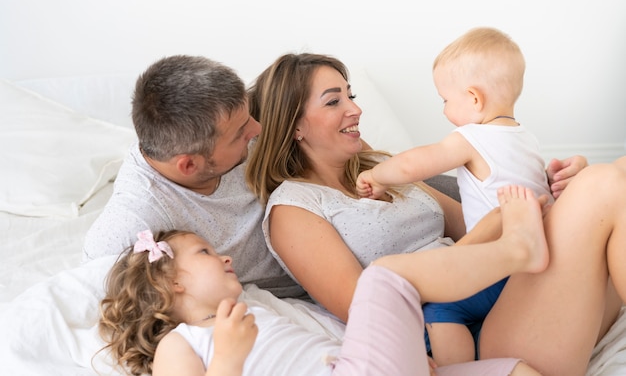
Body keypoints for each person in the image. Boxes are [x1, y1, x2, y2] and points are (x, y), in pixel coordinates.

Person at [245, 51, 626, 375]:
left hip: (501, 290)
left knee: (612, 173)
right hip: (460, 331)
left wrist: (546, 189)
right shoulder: (294, 208)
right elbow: (373, 306)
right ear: (294, 125)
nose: (355, 109)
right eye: (334, 101)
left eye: (351, 95)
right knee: (603, 185)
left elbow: (478, 223)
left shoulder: (383, 167)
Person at [98, 184, 549, 376]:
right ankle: (517, 249)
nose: (226, 256)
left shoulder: (261, 304)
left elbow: (340, 334)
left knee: (516, 372)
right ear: (172, 282)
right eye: (205, 252)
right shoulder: (185, 343)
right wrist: (229, 360)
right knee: (384, 277)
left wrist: (400, 353)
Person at [355, 26, 550, 365]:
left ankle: (460, 370)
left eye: (446, 100)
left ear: (474, 99)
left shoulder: (471, 137)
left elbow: (412, 165)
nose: (444, 110)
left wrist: (376, 174)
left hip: (500, 265)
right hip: (534, 269)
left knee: (441, 308)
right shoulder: (527, 140)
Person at [82, 55, 303, 298]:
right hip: (297, 291)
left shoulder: (227, 125)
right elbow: (102, 302)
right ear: (189, 165)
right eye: (240, 133)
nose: (257, 129)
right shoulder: (134, 222)